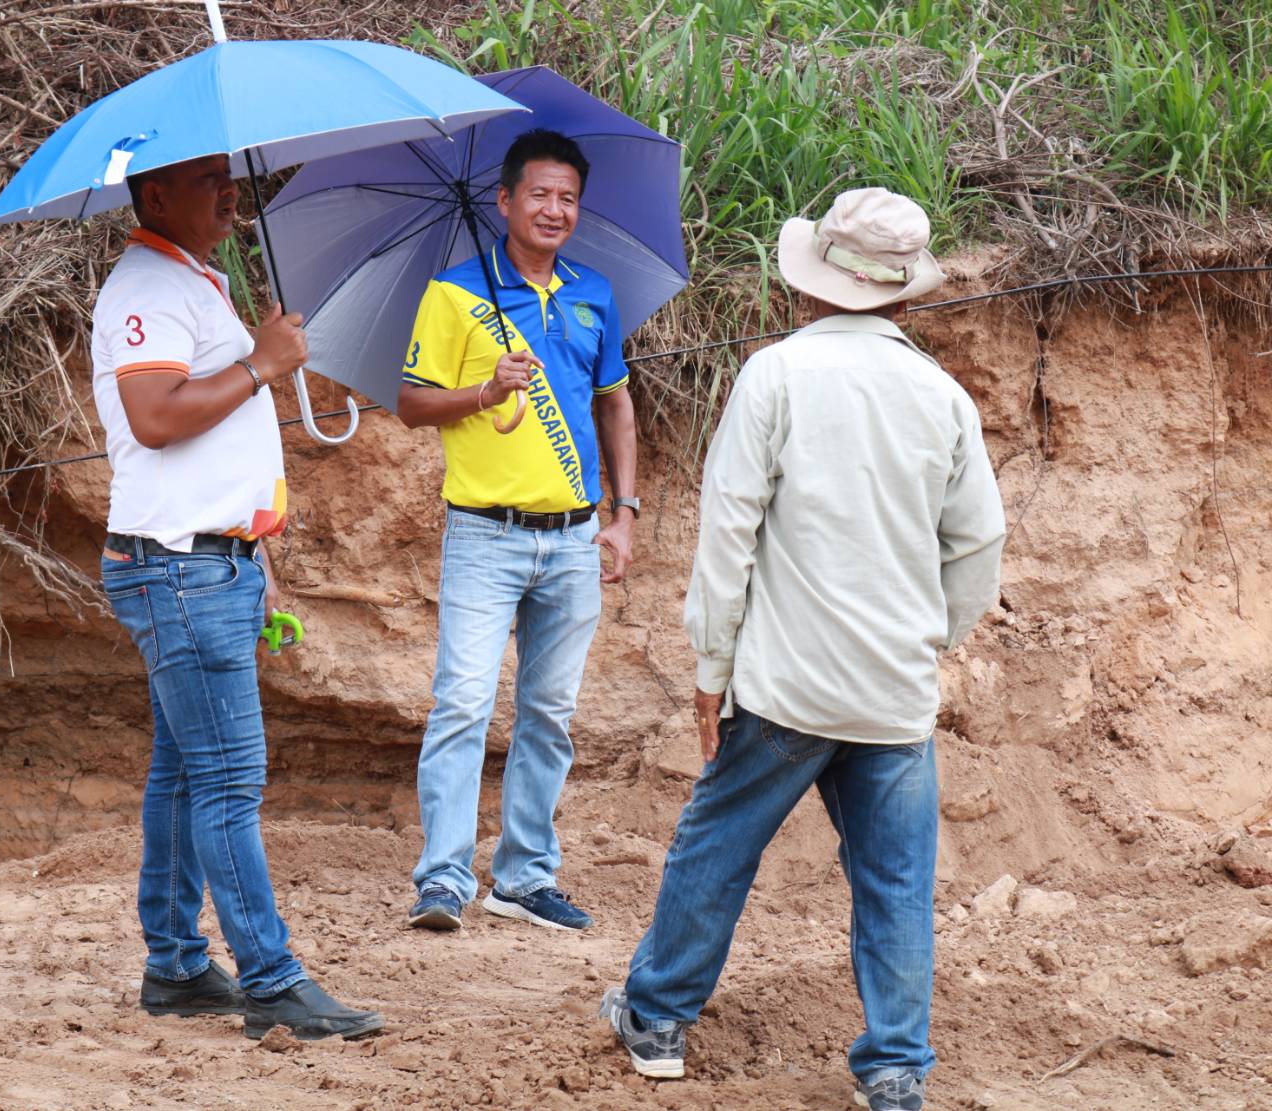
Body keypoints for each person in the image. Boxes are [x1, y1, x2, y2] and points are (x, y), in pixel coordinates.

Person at [600, 188, 1006, 1111]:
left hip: (787, 684)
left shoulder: (775, 375)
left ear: (814, 282)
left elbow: (728, 532)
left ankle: (657, 1017)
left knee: (716, 845)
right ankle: (895, 1068)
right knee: (896, 883)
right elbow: (978, 542)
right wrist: (932, 635)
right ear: (900, 289)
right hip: (893, 692)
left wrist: (712, 667)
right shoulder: (942, 395)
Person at [91, 153, 382, 1042]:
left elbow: (211, 439)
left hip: (203, 561)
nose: (231, 192)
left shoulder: (189, 280)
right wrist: (261, 362)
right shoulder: (146, 287)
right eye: (208, 179)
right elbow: (155, 416)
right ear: (154, 195)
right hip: (180, 565)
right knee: (226, 777)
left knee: (186, 771)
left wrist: (254, 560)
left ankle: (178, 964)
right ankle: (271, 980)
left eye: (231, 176)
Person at [397, 129, 639, 933]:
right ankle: (443, 879)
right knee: (463, 704)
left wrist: (625, 514)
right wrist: (484, 389)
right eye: (539, 193)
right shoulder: (454, 292)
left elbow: (615, 402)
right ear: (504, 201)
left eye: (568, 197)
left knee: (550, 714)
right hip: (484, 535)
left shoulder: (593, 292)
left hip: (575, 538)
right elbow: (410, 403)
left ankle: (525, 877)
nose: (554, 209)